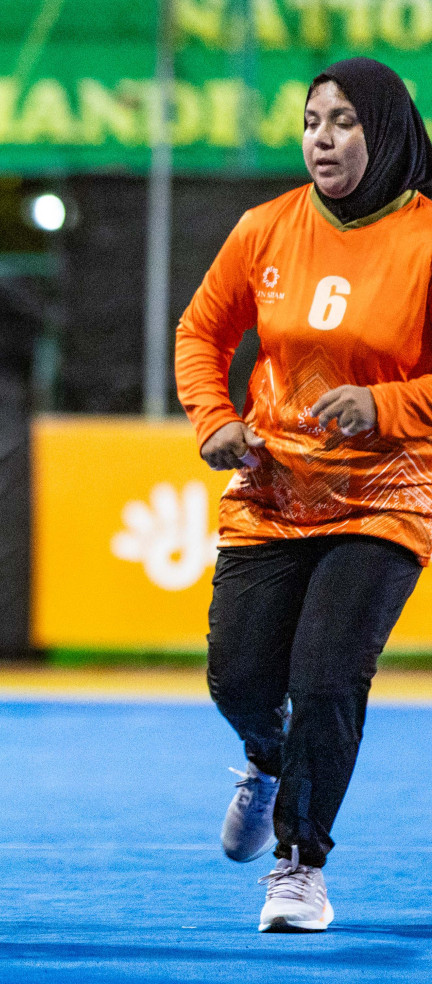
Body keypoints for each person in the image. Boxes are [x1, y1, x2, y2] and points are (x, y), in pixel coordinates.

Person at [174, 57, 432, 933]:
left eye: (345, 122)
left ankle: (299, 866)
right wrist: (213, 419)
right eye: (313, 120)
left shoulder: (428, 238)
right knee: (239, 679)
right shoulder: (265, 227)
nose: (323, 138)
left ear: (388, 131)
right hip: (274, 490)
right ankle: (266, 755)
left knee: (327, 678)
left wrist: (386, 403)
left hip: (388, 495)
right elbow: (202, 329)